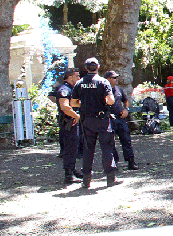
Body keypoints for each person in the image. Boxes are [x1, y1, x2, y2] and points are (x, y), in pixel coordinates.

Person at [71, 57, 120, 188]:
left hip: (87, 120)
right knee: (107, 148)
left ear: (86, 68)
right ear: (98, 67)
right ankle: (111, 179)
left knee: (88, 149)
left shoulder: (79, 83)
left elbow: (73, 103)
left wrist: (85, 103)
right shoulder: (103, 82)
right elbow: (110, 101)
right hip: (102, 119)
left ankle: (86, 180)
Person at [104, 70, 138, 170]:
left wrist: (126, 109)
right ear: (108, 79)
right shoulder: (103, 91)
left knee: (126, 140)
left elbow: (125, 100)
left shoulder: (119, 89)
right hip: (109, 119)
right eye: (114, 78)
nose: (116, 79)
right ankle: (113, 163)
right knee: (110, 142)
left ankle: (131, 161)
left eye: (117, 77)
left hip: (120, 118)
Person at [55, 68, 83, 183]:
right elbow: (65, 107)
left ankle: (72, 169)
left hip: (73, 122)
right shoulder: (64, 89)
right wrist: (77, 117)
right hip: (69, 122)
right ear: (70, 77)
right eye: (77, 76)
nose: (78, 78)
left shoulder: (72, 89)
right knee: (70, 148)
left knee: (74, 147)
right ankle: (68, 175)